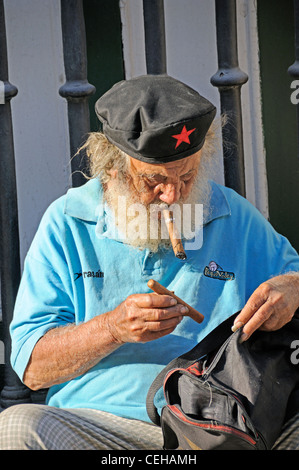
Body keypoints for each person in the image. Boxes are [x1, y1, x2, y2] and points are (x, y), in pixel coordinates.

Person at [0, 75, 298, 450]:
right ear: (112, 167)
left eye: (187, 176)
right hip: (99, 426)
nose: (173, 196)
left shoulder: (228, 214)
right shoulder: (67, 223)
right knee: (17, 428)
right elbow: (31, 368)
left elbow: (295, 278)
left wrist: (292, 288)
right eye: (153, 181)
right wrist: (112, 329)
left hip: (218, 424)